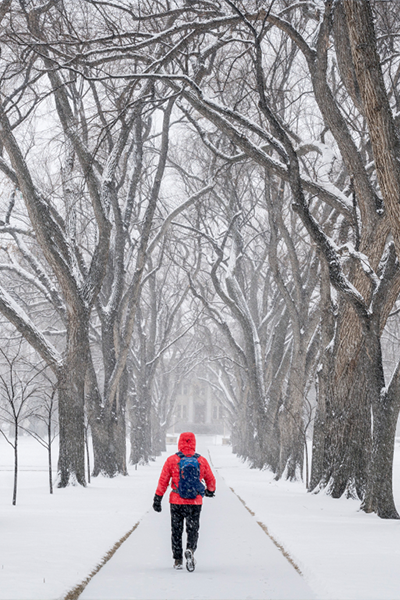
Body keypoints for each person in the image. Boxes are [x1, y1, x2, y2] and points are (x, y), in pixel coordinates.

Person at [153, 431, 216, 571]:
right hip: (194, 502)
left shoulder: (172, 460)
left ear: (179, 442)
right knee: (193, 529)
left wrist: (158, 498)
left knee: (176, 530)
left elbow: (163, 481)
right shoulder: (201, 461)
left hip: (176, 501)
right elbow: (211, 480)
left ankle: (177, 559)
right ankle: (190, 549)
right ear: (194, 443)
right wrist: (210, 491)